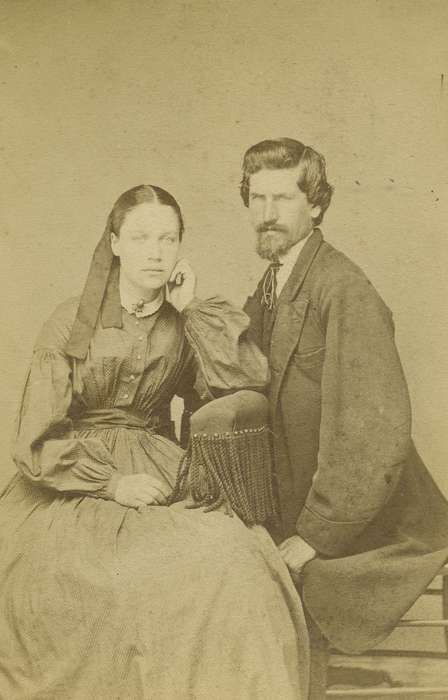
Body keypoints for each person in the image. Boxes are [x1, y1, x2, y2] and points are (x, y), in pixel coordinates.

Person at [0, 184, 311, 699]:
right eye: (141, 237)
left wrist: (194, 311)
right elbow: (35, 438)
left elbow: (242, 391)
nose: (155, 251)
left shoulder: (184, 322)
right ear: (115, 243)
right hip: (72, 482)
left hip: (165, 467)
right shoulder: (69, 322)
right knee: (87, 584)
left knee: (235, 562)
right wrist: (112, 484)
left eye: (168, 239)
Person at [241, 138, 448, 694]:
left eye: (282, 199)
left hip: (375, 523)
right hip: (307, 507)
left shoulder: (344, 289)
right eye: (256, 198)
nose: (267, 214)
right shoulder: (270, 287)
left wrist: (314, 536)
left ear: (316, 205)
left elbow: (374, 436)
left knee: (284, 592)